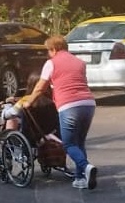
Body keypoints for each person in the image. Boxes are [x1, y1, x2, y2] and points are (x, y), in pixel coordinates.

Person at [19, 36, 98, 190]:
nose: (48, 54)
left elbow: (40, 87)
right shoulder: (79, 62)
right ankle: (80, 178)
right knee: (79, 142)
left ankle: (86, 167)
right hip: (88, 103)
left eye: (48, 51)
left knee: (69, 144)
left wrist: (29, 101)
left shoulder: (51, 63)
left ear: (53, 49)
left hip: (68, 105)